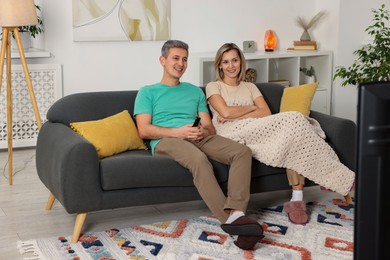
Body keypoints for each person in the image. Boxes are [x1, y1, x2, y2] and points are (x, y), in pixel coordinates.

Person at [205, 42, 355, 225]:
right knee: (293, 120)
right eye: (226, 62)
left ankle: (297, 199)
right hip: (230, 133)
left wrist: (242, 110)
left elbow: (265, 113)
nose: (231, 66)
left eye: (234, 60)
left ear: (241, 62)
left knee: (294, 134)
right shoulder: (214, 86)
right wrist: (250, 108)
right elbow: (225, 113)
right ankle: (331, 177)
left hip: (258, 127)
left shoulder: (250, 87)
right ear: (219, 65)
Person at [134, 40, 264, 250]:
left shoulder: (194, 91)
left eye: (184, 59)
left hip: (198, 135)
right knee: (199, 160)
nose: (181, 63)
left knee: (241, 152)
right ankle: (231, 223)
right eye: (176, 58)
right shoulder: (148, 92)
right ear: (163, 60)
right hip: (166, 140)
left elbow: (209, 126)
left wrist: (202, 131)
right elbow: (144, 130)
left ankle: (237, 212)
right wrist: (179, 132)